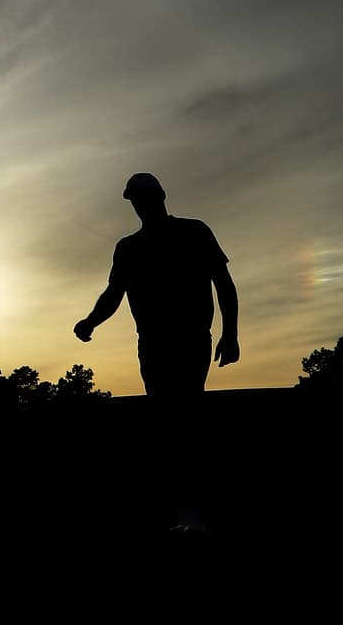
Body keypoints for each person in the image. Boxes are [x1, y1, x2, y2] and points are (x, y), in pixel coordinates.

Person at [73, 172, 239, 534]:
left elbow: (223, 284)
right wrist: (90, 321)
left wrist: (231, 334)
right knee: (167, 421)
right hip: (151, 343)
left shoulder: (195, 232)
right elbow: (113, 294)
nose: (140, 203)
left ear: (161, 195)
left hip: (191, 338)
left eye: (144, 196)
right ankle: (179, 508)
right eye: (135, 199)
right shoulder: (128, 248)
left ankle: (195, 509)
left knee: (186, 417)